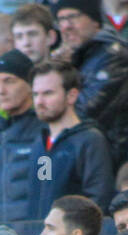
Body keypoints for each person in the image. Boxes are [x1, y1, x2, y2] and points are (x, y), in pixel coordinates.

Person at [51, 0, 128, 165]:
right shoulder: (81, 56)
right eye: (61, 20)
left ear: (95, 20)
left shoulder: (112, 57)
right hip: (85, 155)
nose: (66, 26)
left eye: (72, 17)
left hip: (108, 159)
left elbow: (83, 111)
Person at [29, 62, 114, 218]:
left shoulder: (90, 140)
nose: (39, 102)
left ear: (71, 96)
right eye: (35, 94)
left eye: (48, 93)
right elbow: (40, 197)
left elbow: (98, 201)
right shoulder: (40, 143)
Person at [0, 50, 42, 225]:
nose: (1, 91)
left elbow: (48, 185)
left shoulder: (44, 131)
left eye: (9, 81)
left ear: (30, 85)